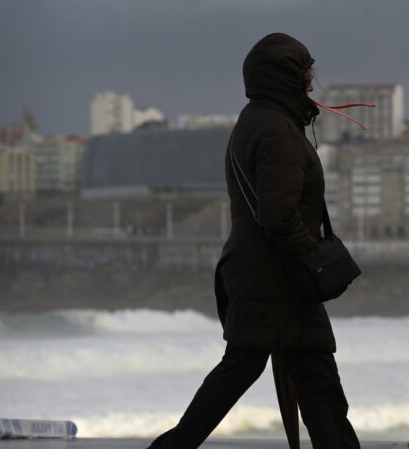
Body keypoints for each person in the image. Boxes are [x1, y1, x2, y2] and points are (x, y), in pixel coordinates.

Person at [146, 33, 360, 449]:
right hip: (278, 278)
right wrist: (313, 255)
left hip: (261, 272)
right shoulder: (278, 130)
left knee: (285, 375)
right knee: (295, 379)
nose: (311, 85)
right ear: (285, 77)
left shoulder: (255, 119)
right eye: (305, 75)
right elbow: (277, 216)